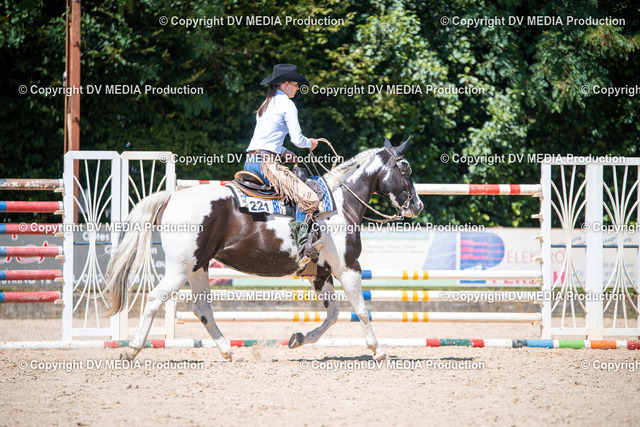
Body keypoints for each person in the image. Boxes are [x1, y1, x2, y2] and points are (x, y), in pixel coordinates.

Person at [244, 64, 324, 265]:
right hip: (266, 165)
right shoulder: (288, 105)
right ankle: (302, 248)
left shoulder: (265, 104)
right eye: (296, 85)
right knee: (309, 198)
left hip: (250, 162)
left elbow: (265, 139)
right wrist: (310, 143)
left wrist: (282, 151)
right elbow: (297, 139)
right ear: (286, 84)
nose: (298, 88)